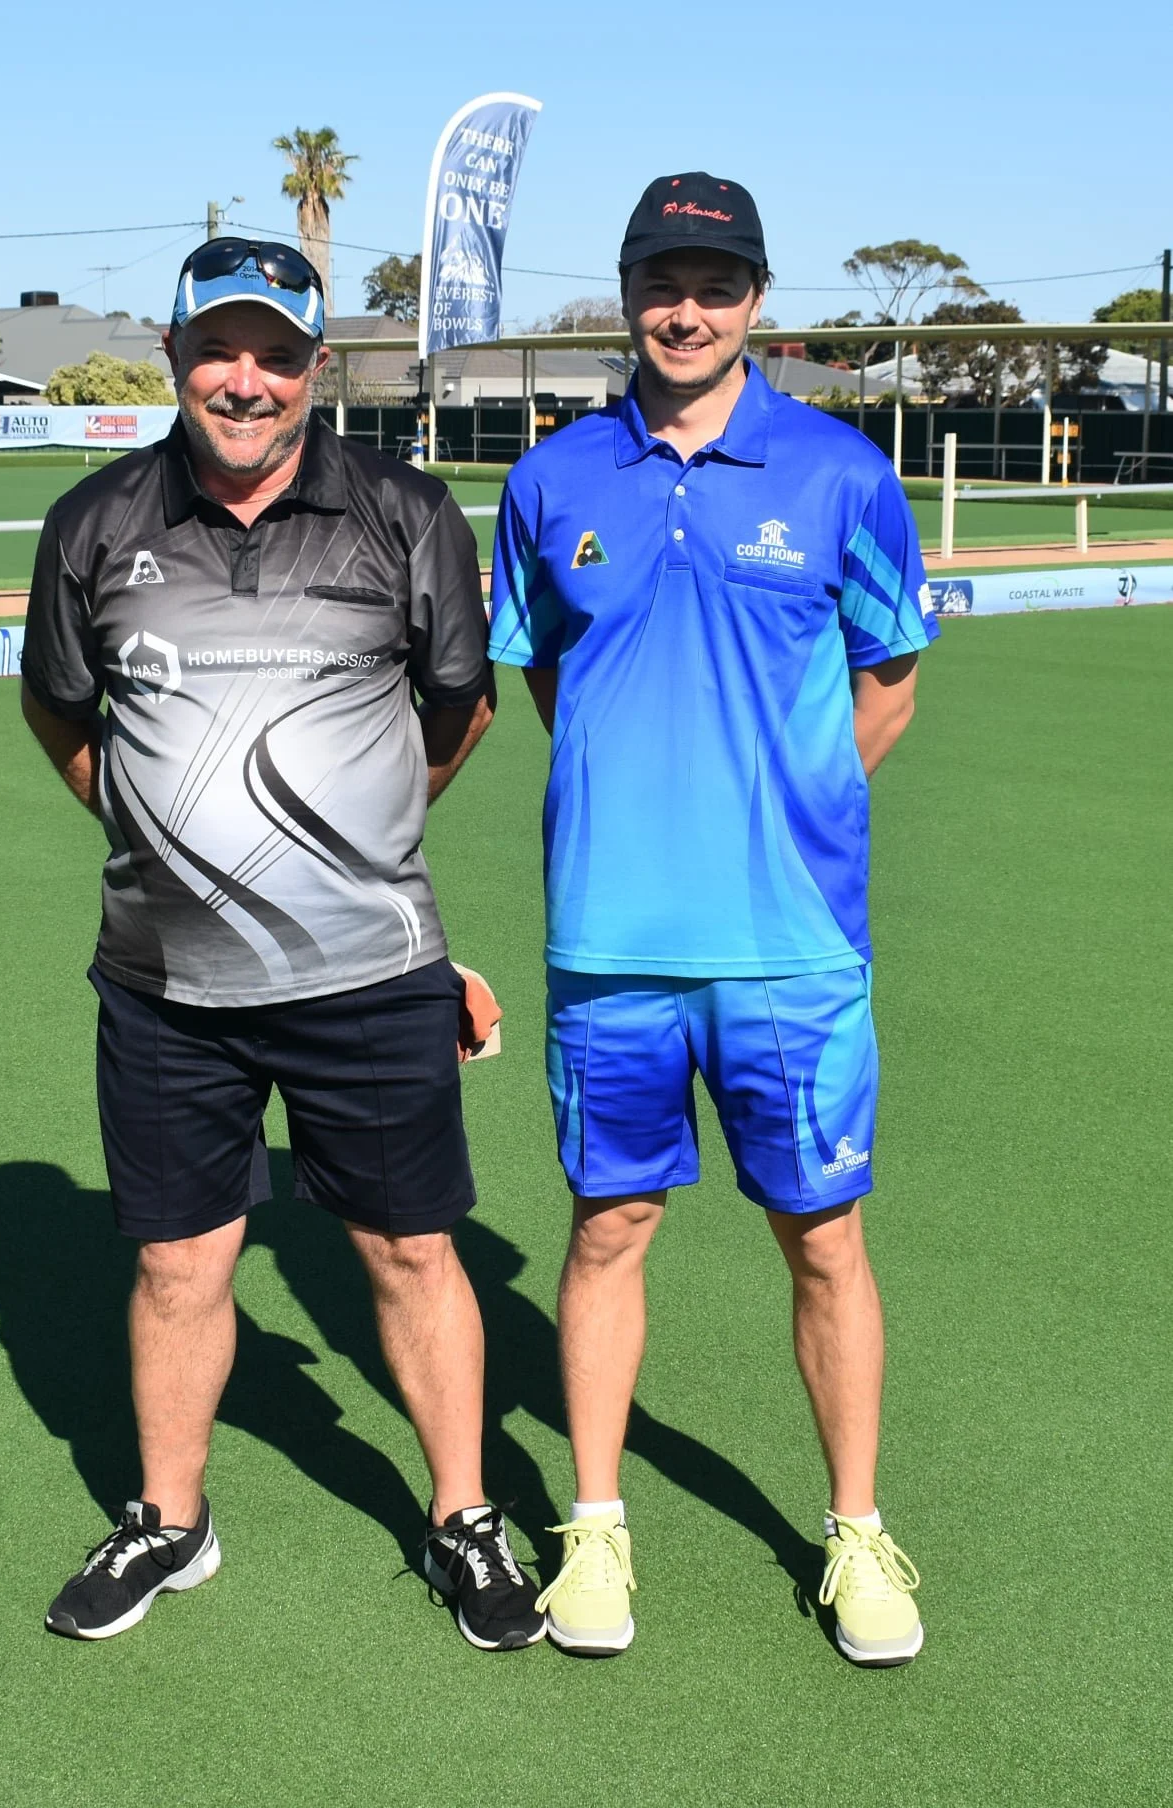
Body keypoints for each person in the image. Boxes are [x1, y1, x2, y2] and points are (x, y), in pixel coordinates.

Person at [19, 237, 545, 1652]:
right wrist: (166, 847)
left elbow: (461, 709)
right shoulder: (94, 521)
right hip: (165, 985)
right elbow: (66, 720)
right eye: (216, 351)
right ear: (177, 352)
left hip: (368, 977)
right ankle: (169, 1521)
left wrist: (341, 852)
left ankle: (462, 1517)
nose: (242, 383)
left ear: (318, 366)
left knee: (411, 1253)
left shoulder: (405, 510)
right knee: (181, 1266)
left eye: (273, 355)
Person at [488, 175, 937, 1664]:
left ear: (756, 297)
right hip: (612, 947)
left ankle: (858, 1536)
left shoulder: (840, 472)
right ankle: (597, 1534)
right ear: (626, 291)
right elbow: (547, 676)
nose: (688, 307)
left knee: (823, 1244)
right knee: (609, 1225)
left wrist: (782, 798)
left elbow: (891, 678)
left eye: (716, 280)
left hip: (793, 948)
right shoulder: (551, 480)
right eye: (662, 279)